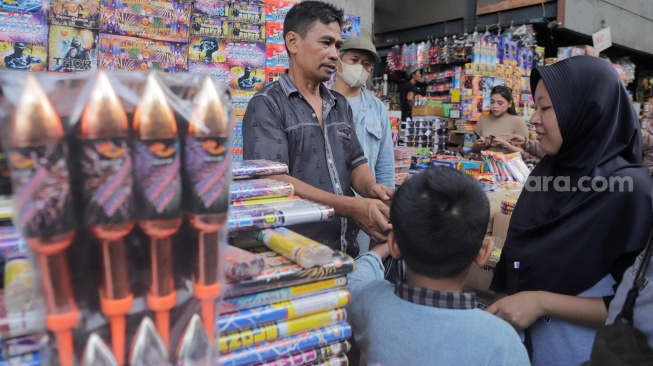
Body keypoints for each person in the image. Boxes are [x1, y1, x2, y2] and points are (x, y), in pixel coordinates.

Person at [487, 56, 653, 365]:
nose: (534, 118)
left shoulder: (631, 191)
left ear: (587, 110)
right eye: (535, 107)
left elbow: (638, 305)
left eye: (545, 108)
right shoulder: (549, 173)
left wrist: (542, 303)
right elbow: (517, 247)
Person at [242, 1, 394, 256]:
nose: (335, 54)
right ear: (293, 42)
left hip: (346, 250)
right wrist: (350, 206)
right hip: (295, 252)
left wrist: (370, 188)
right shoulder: (267, 104)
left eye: (336, 45)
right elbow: (272, 180)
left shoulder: (339, 104)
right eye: (325, 43)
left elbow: (356, 161)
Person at [346, 166, 529, 365]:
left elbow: (355, 275)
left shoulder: (369, 302)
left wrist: (385, 248)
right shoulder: (501, 341)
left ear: (395, 244)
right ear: (484, 252)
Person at [331, 35, 394, 254]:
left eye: (366, 64)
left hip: (366, 210)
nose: (360, 67)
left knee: (359, 274)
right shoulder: (320, 101)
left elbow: (385, 165)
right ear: (338, 61)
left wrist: (385, 207)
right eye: (354, 60)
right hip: (328, 207)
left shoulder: (377, 109)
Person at [473, 86, 529, 152]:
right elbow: (474, 150)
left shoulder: (517, 121)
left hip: (508, 162)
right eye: (492, 102)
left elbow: (524, 153)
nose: (495, 106)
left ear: (510, 104)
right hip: (484, 161)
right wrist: (478, 145)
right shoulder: (482, 120)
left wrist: (504, 145)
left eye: (500, 103)